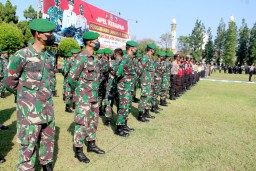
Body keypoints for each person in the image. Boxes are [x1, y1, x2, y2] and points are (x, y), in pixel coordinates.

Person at [4, 18, 57, 171]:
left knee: (48, 142)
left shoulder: (50, 57)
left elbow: (50, 81)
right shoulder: (21, 55)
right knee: (28, 146)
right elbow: (9, 81)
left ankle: (47, 166)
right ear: (38, 34)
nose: (52, 36)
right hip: (29, 112)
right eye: (49, 33)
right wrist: (25, 96)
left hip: (47, 110)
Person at [68, 31, 105, 164]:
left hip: (93, 96)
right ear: (89, 42)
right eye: (96, 40)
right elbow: (72, 78)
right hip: (84, 97)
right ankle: (78, 150)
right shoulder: (81, 57)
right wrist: (77, 94)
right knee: (82, 123)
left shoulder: (94, 59)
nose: (98, 42)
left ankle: (91, 144)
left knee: (93, 122)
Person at [115, 41, 137, 137]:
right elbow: (118, 72)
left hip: (129, 87)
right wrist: (122, 80)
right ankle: (119, 129)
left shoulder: (129, 58)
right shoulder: (125, 58)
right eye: (135, 48)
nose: (136, 49)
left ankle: (124, 125)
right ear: (131, 48)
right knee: (123, 108)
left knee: (127, 107)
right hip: (124, 87)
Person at [104, 48, 123, 126]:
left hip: (111, 85)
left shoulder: (111, 63)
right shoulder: (125, 63)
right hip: (121, 85)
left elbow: (104, 70)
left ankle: (108, 120)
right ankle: (120, 119)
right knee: (120, 103)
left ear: (115, 54)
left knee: (109, 102)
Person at [138, 44, 157, 118]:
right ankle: (140, 114)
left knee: (149, 97)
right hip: (146, 81)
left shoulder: (150, 58)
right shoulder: (145, 57)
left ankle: (146, 112)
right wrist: (142, 80)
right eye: (153, 50)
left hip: (150, 81)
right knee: (144, 97)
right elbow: (141, 69)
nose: (154, 51)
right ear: (151, 50)